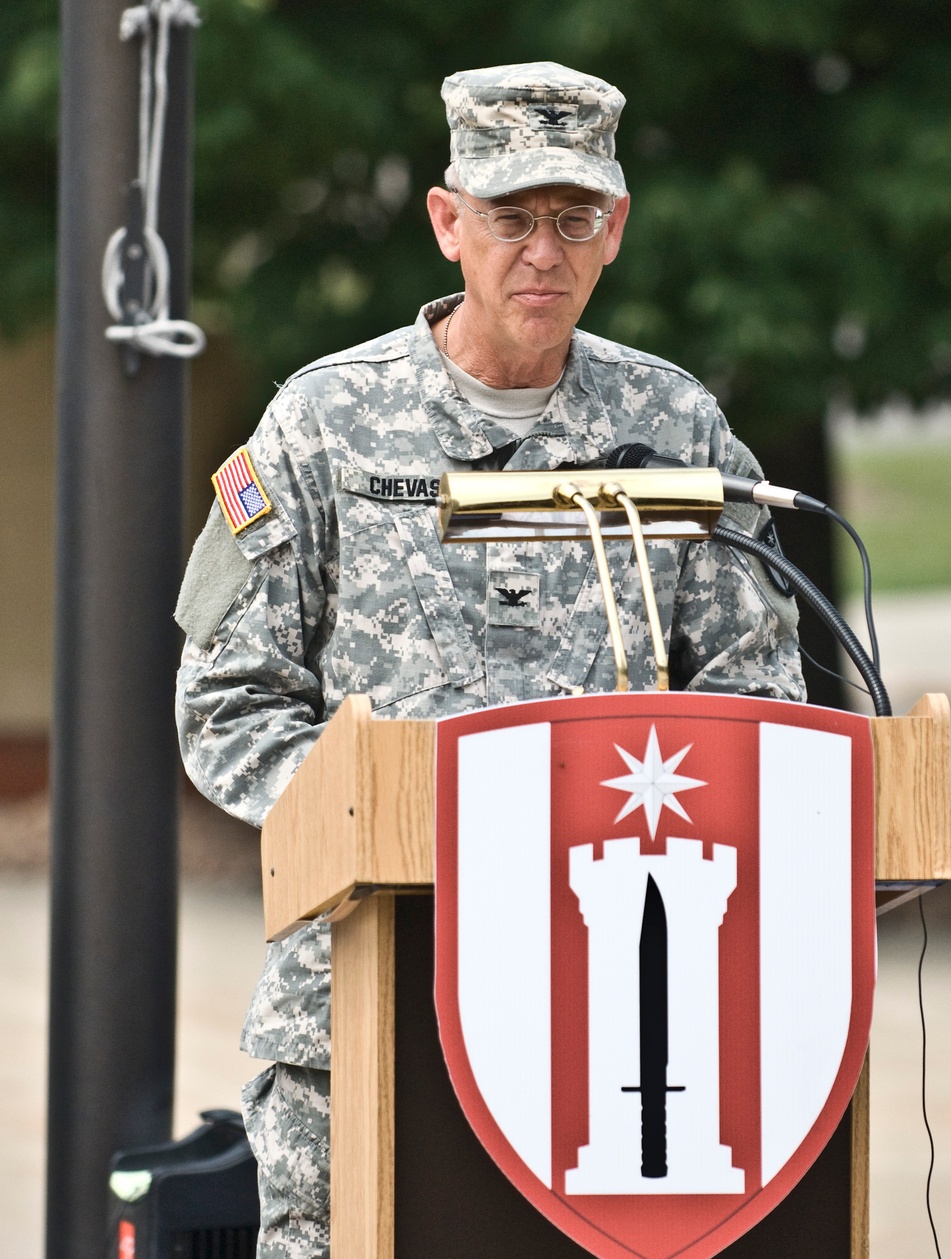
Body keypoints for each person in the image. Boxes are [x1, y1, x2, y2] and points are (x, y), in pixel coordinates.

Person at [175, 61, 804, 1258]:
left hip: (617, 1015)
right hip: (362, 1005)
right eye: (511, 216)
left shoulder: (672, 427)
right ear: (446, 222)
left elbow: (756, 694)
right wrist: (394, 815)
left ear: (615, 230)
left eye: (575, 219)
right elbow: (226, 702)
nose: (542, 251)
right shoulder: (324, 423)